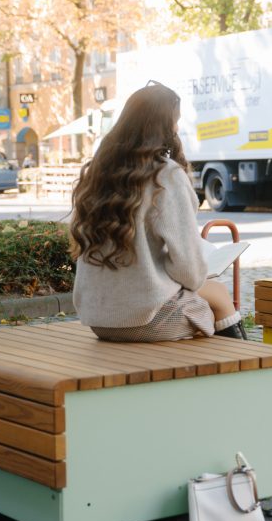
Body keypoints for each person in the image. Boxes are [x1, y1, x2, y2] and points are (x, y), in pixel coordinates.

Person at [70, 83, 245, 342]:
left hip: (100, 319)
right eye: (175, 122)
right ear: (165, 127)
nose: (177, 129)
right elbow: (191, 273)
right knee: (218, 296)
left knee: (213, 294)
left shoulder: (97, 174)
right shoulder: (166, 175)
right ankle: (246, 371)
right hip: (148, 319)